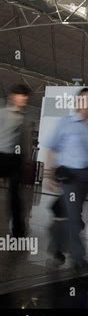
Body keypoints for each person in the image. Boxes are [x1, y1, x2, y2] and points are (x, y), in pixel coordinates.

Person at [45, 88, 88, 271]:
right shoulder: (65, 123)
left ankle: (56, 245)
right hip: (70, 177)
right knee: (74, 217)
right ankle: (79, 259)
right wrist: (50, 175)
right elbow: (52, 149)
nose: (87, 104)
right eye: (83, 100)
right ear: (77, 102)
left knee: (74, 218)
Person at [0, 84, 31, 238]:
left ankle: (19, 231)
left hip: (15, 161)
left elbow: (25, 142)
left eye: (25, 97)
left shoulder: (25, 119)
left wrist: (26, 160)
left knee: (15, 197)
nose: (23, 99)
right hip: (1, 156)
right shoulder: (3, 114)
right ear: (13, 97)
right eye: (20, 96)